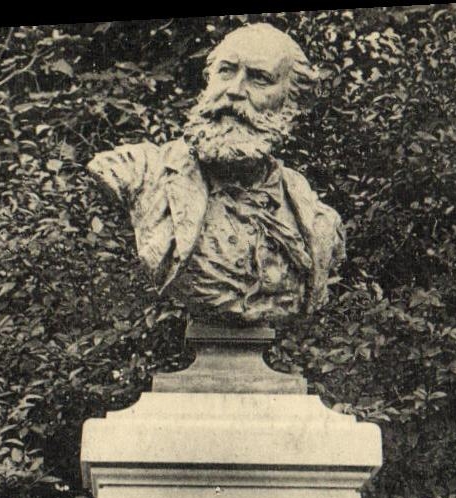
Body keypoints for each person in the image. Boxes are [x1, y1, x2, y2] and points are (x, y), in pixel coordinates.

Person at [87, 22, 344, 323]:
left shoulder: (317, 219)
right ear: (209, 81)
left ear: (292, 103)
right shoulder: (139, 171)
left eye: (259, 79)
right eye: (226, 71)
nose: (233, 91)